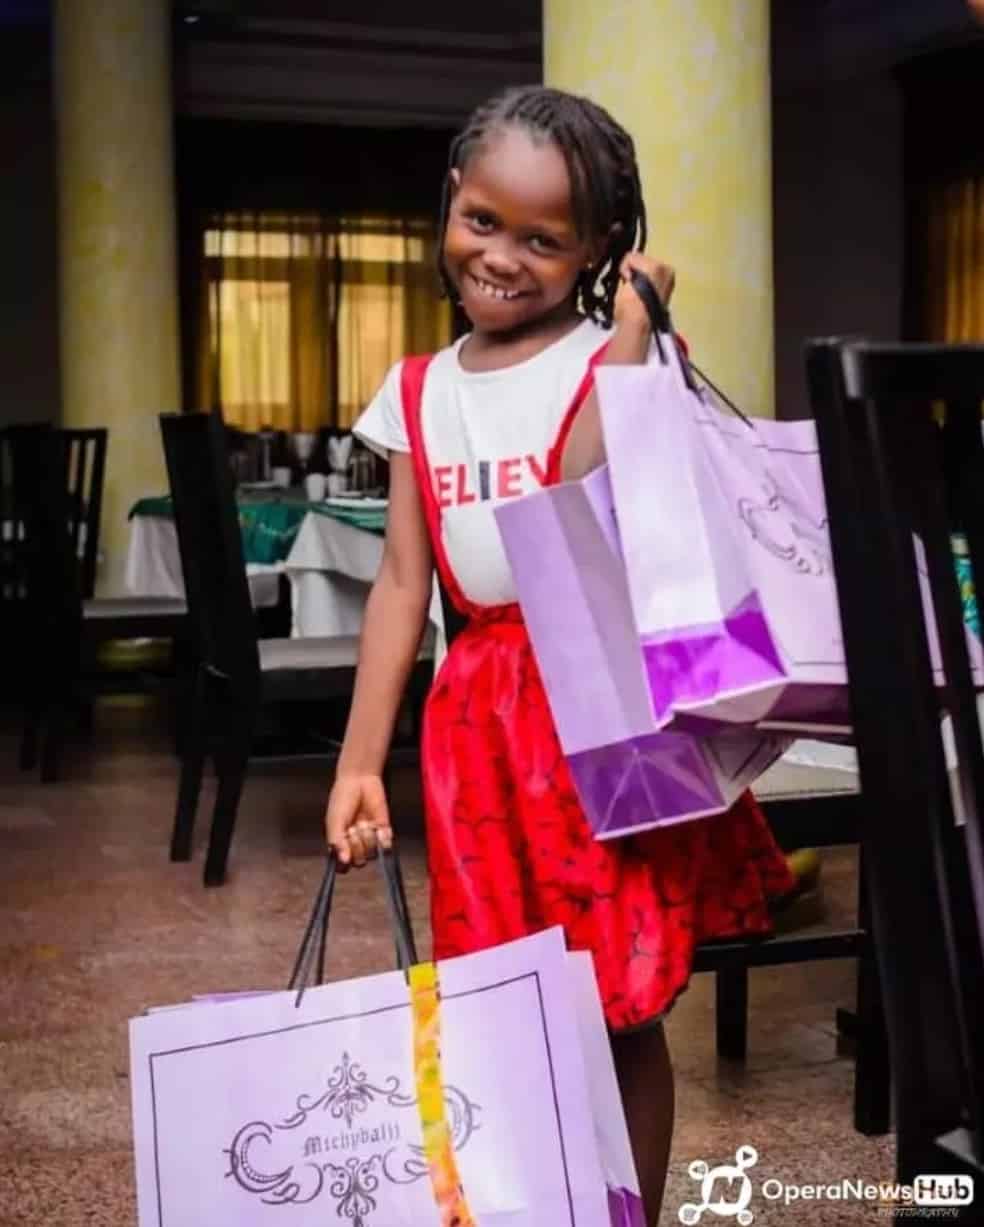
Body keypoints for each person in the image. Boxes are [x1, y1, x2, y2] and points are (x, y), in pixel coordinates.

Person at [324, 85, 795, 1224]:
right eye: (483, 221)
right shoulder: (418, 390)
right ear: (452, 199)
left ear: (598, 247)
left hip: (599, 718)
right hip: (479, 736)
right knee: (506, 1005)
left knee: (620, 1009)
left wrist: (632, 331)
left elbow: (578, 496)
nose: (502, 258)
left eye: (544, 240)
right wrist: (358, 762)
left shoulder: (615, 358)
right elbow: (403, 585)